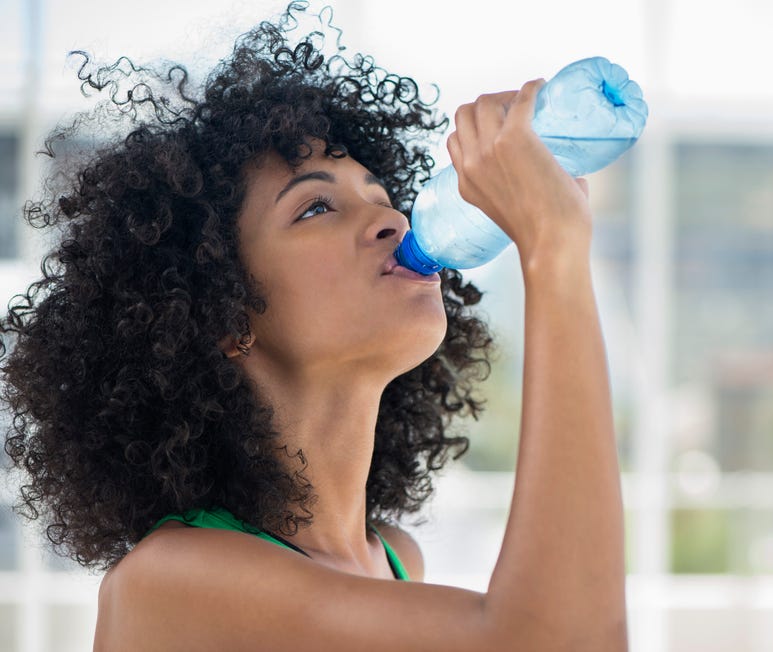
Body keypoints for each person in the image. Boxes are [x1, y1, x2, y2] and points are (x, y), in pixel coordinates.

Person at [0, 3, 627, 650]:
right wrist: (551, 251)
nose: (393, 223)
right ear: (225, 313)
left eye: (382, 198)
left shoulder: (396, 560)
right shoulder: (168, 580)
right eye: (316, 207)